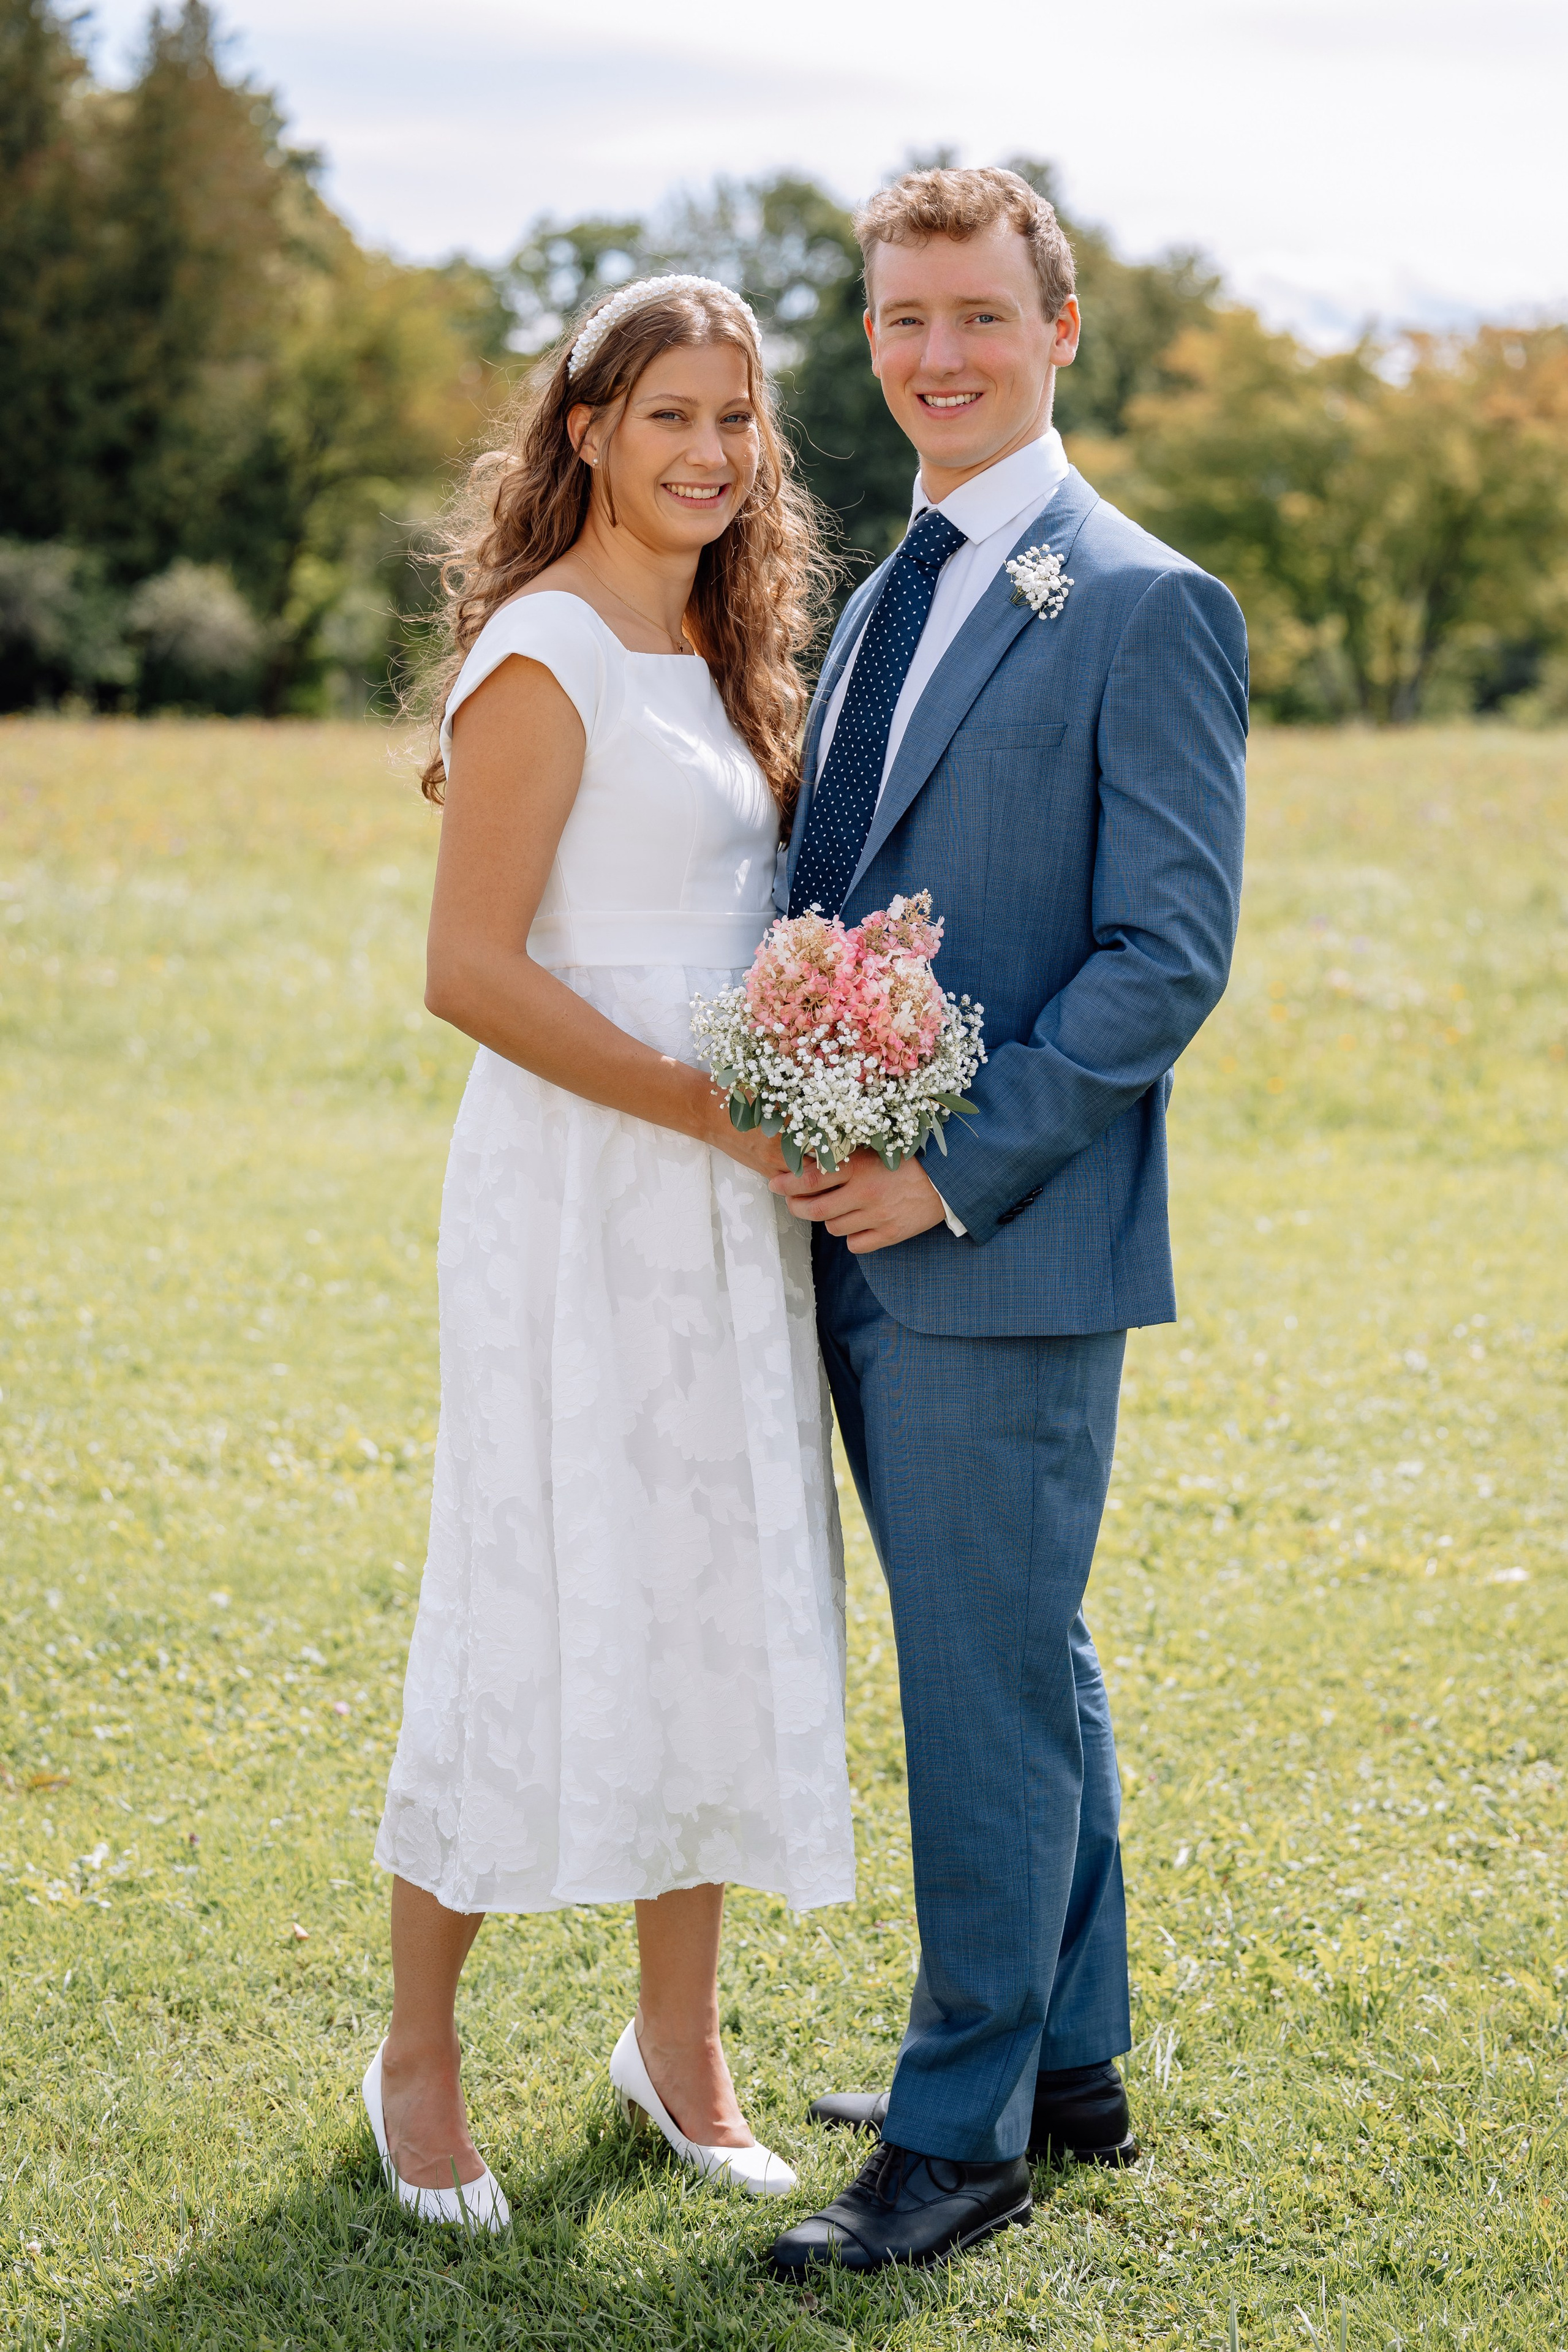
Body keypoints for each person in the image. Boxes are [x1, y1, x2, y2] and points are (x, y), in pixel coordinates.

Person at [763, 168, 1248, 2277]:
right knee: (1019, 1658)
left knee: (974, 1684)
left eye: (972, 313)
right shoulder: (893, 591)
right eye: (897, 320)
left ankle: (958, 2139)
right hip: (855, 1233)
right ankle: (1066, 2057)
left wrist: (948, 1168)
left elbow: (1165, 955)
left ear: (1062, 331)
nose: (933, 354)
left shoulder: (1143, 602)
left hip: (996, 1240)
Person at [366, 275, 854, 2226]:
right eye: (672, 416)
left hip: (726, 1205)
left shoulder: (726, 652)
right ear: (585, 428)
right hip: (583, 1187)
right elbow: (467, 971)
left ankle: (678, 2042)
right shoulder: (544, 654)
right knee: (528, 1580)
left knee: (714, 1581)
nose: (713, 455)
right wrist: (703, 1107)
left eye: (740, 420)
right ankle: (419, 2050)